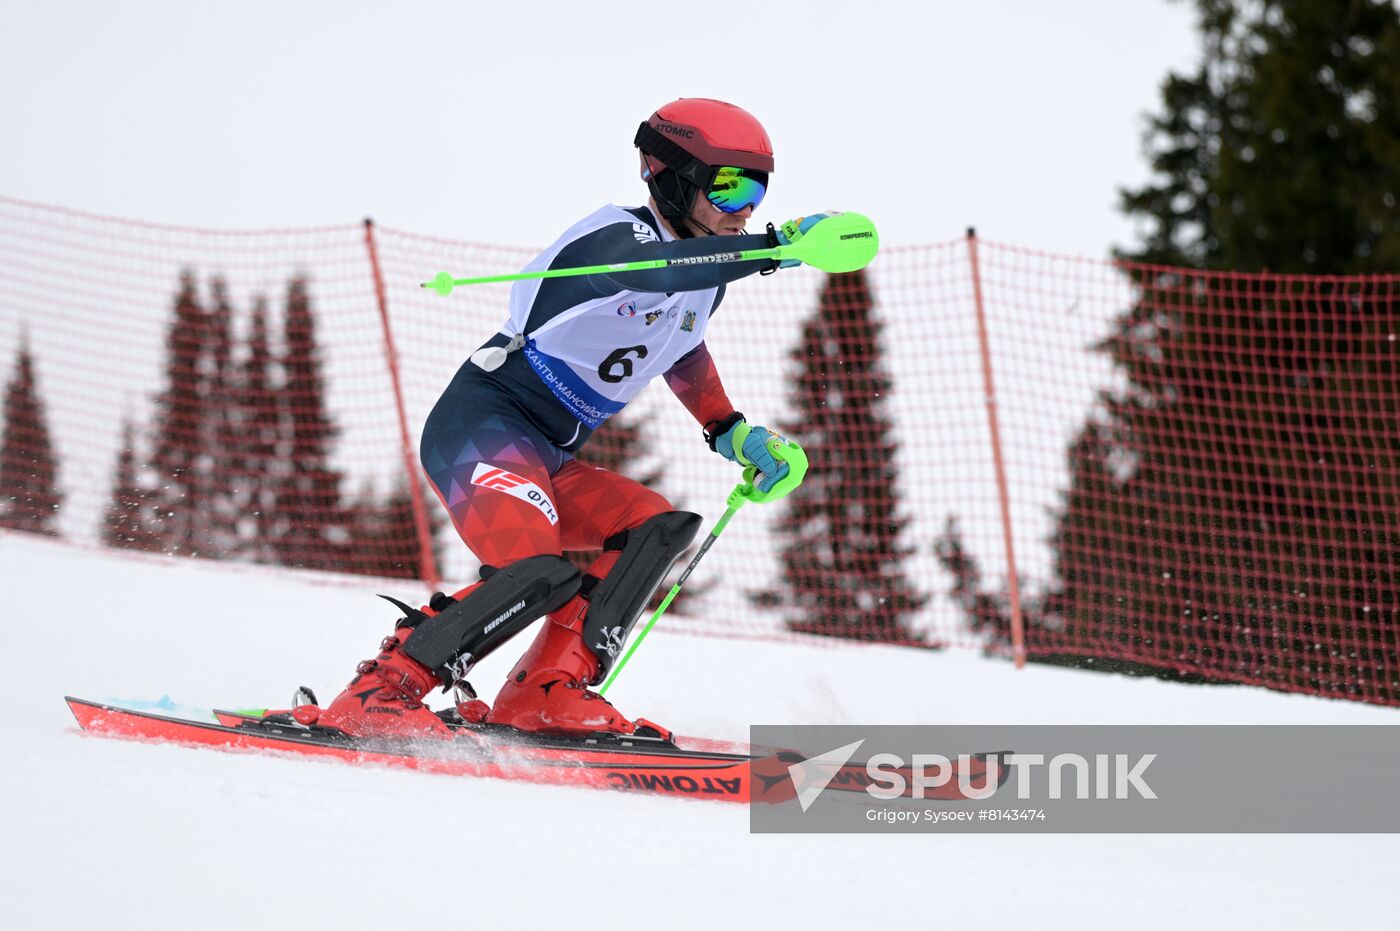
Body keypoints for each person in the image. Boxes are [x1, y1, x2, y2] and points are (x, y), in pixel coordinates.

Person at [314, 98, 830, 740]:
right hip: (482, 429)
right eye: (728, 186)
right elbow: (655, 272)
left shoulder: (706, 278)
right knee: (540, 569)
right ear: (666, 173)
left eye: (758, 188)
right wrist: (777, 249)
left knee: (655, 526)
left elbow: (681, 347)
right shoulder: (614, 237)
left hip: (547, 454)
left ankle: (547, 692)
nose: (747, 207)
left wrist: (731, 430)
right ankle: (382, 689)